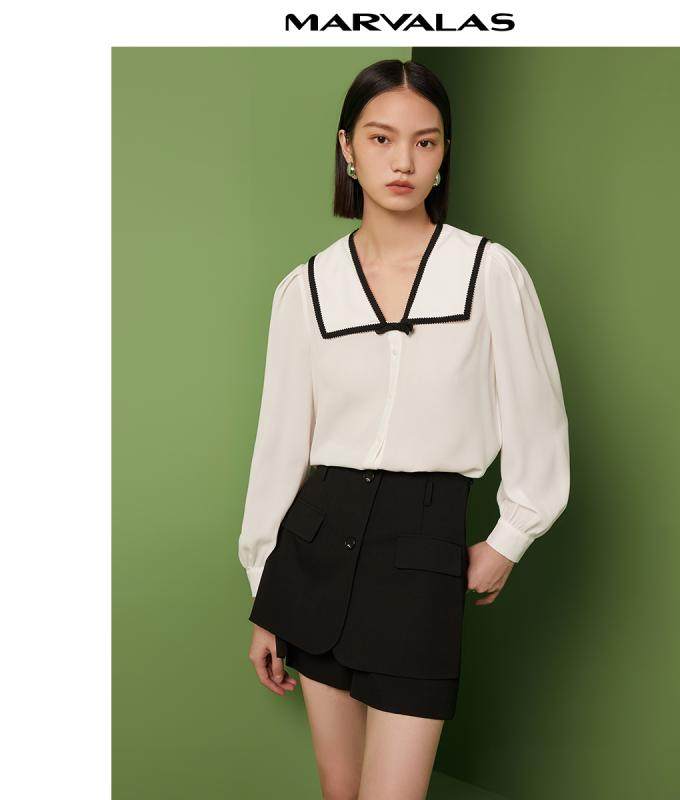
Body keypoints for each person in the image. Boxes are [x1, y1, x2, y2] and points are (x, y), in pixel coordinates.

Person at [238, 59, 570, 800]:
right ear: (347, 147)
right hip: (314, 552)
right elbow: (279, 444)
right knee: (339, 788)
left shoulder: (490, 273)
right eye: (381, 138)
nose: (403, 161)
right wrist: (266, 590)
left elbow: (538, 416)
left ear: (445, 152)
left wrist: (510, 538)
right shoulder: (306, 289)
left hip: (422, 550)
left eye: (425, 142)